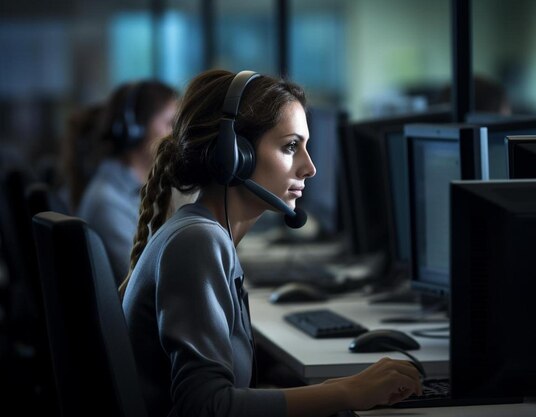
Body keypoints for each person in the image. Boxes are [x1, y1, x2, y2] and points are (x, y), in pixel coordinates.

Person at [120, 69, 422, 417]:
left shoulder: (199, 233)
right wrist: (347, 393)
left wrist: (336, 389)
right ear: (233, 155)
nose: (310, 168)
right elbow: (206, 407)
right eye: (290, 147)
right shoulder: (198, 241)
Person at [77, 80, 178, 286]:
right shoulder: (108, 202)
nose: (176, 136)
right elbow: (144, 284)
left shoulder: (136, 189)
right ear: (135, 130)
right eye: (170, 124)